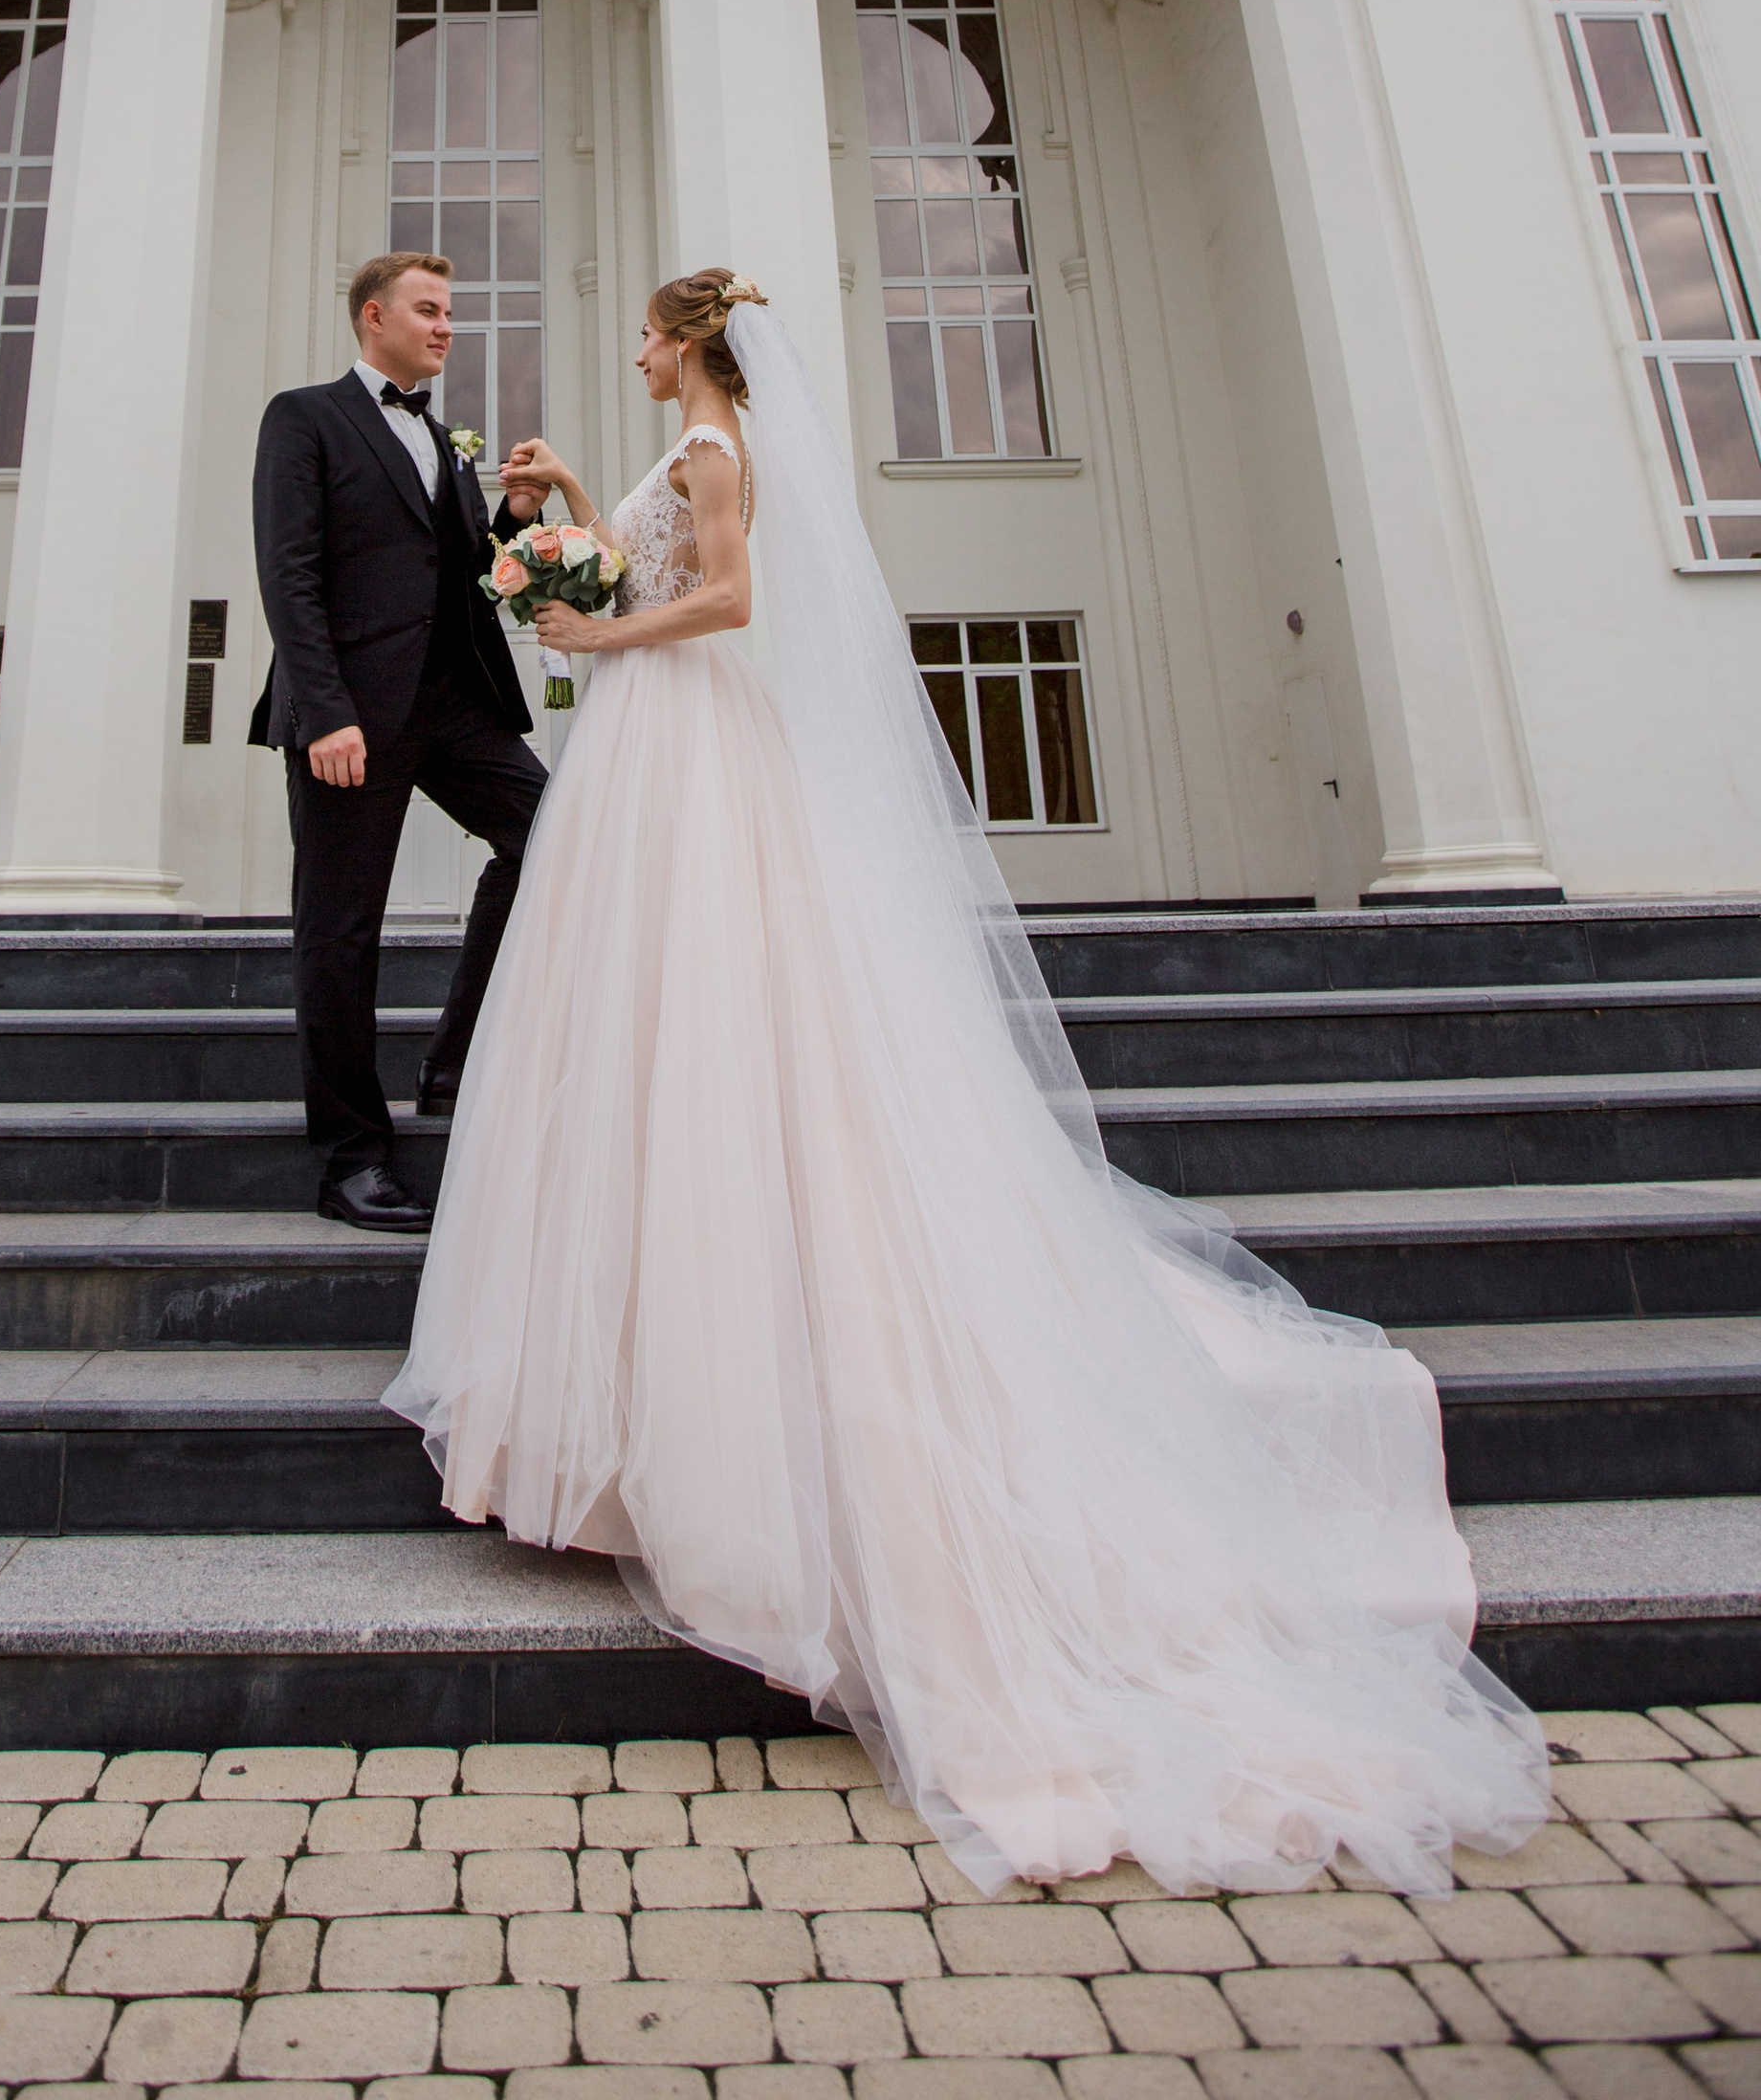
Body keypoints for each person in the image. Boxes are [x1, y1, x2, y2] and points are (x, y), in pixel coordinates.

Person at [387, 267, 1549, 1893]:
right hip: (652, 746)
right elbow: (656, 551)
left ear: (690, 347)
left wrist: (592, 623)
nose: (638, 351)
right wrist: (573, 506)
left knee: (708, 1020)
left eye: (652, 334)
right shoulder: (691, 445)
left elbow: (722, 603)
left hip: (683, 731)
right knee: (636, 1027)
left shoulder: (721, 452)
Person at [250, 252, 550, 1233]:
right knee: (339, 934)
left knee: (554, 831)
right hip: (349, 714)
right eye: (428, 309)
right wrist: (325, 710)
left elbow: (465, 572)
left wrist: (512, 517)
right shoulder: (304, 418)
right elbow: (288, 576)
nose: (446, 325)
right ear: (371, 315)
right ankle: (350, 1160)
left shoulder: (444, 440)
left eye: (451, 311)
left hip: (452, 705)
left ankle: (453, 1061)